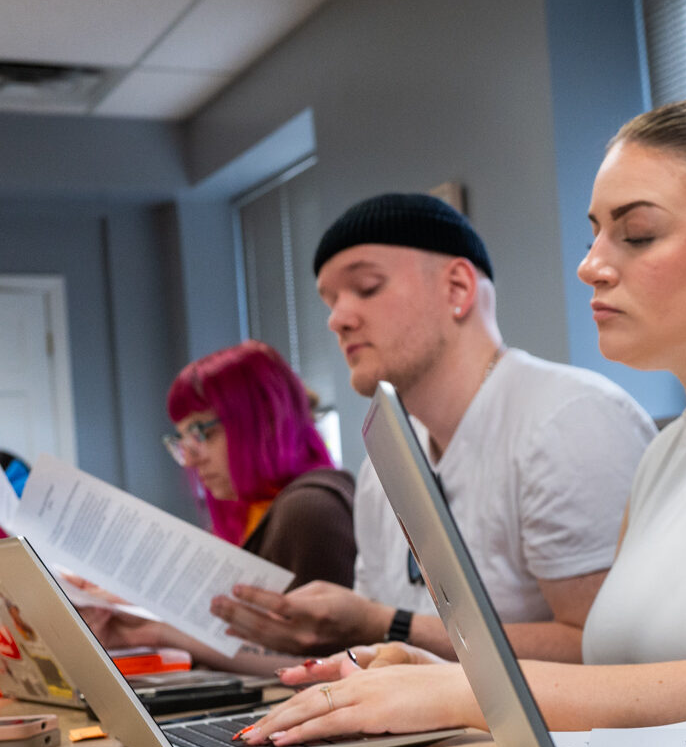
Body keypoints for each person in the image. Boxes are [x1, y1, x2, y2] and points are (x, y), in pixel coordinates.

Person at [240, 91, 686, 743]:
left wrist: (466, 692)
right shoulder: (665, 454)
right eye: (593, 234)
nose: (590, 265)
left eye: (637, 234)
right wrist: (438, 668)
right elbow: (621, 678)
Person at [209, 193, 656, 664]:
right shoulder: (383, 467)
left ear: (458, 288)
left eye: (366, 288)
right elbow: (377, 648)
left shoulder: (567, 419)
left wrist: (388, 626)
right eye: (331, 301)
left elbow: (606, 654)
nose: (337, 319)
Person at [80, 341, 356, 672]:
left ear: (265, 419)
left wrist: (159, 631)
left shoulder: (310, 510)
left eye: (202, 433)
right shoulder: (248, 511)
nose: (190, 459)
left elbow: (320, 665)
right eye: (182, 439)